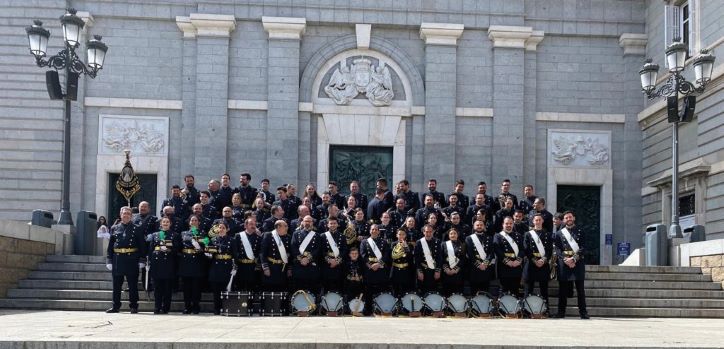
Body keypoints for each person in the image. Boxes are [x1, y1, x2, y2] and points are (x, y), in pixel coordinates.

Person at [106, 206, 146, 314]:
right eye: (124, 213)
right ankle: (116, 306)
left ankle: (133, 306)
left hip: (131, 258)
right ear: (120, 214)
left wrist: (142, 259)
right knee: (116, 285)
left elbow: (142, 245)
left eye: (128, 213)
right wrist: (109, 259)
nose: (126, 215)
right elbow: (110, 246)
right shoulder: (115, 228)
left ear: (131, 216)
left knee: (132, 284)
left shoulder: (137, 228)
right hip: (118, 258)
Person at [552, 211, 589, 319]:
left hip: (577, 263)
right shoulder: (559, 233)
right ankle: (561, 312)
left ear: (574, 218)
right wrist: (566, 259)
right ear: (563, 220)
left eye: (570, 217)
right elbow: (557, 249)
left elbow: (583, 247)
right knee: (562, 290)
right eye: (566, 218)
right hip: (564, 263)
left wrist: (573, 259)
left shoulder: (581, 231)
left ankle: (583, 313)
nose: (568, 219)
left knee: (580, 290)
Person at [146, 216, 179, 314]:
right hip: (157, 264)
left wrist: (169, 250)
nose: (165, 223)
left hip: (168, 264)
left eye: (167, 222)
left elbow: (177, 249)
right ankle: (157, 307)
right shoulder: (155, 235)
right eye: (163, 222)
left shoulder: (174, 235)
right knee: (157, 288)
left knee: (167, 288)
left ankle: (165, 308)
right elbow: (151, 249)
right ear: (160, 224)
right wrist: (148, 261)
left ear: (170, 224)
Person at [176, 214, 208, 314]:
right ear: (189, 222)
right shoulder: (183, 233)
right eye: (192, 220)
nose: (193, 222)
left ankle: (196, 306)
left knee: (196, 287)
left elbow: (207, 247)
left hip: (197, 262)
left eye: (195, 220)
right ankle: (187, 306)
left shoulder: (203, 234)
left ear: (199, 222)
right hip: (186, 262)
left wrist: (200, 249)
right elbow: (179, 248)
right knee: (187, 287)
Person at [205, 222, 235, 315]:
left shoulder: (232, 240)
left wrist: (235, 267)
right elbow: (209, 254)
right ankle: (217, 309)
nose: (221, 229)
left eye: (223, 228)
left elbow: (235, 255)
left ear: (227, 229)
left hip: (227, 266)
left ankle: (225, 307)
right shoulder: (213, 240)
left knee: (226, 289)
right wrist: (208, 255)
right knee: (216, 290)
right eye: (219, 228)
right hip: (216, 266)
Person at [523, 214, 552, 310]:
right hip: (531, 264)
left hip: (543, 264)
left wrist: (543, 260)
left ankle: (545, 310)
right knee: (528, 290)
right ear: (533, 221)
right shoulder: (528, 234)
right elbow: (526, 249)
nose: (538, 221)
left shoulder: (547, 234)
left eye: (540, 220)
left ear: (542, 221)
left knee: (544, 290)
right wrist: (535, 260)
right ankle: (527, 310)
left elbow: (549, 250)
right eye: (536, 220)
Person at [360, 224, 391, 313]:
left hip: (380, 269)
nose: (374, 231)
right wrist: (371, 265)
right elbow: (363, 255)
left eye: (376, 229)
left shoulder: (384, 242)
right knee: (368, 290)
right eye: (372, 229)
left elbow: (386, 255)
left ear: (378, 231)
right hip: (369, 269)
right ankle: (368, 309)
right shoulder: (364, 242)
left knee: (381, 290)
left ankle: (380, 309)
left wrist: (378, 264)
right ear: (370, 231)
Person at [290, 215, 322, 294]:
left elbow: (317, 249)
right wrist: (301, 259)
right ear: (302, 222)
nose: (307, 223)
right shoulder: (296, 234)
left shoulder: (317, 235)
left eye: (309, 221)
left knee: (312, 289)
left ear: (312, 223)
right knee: (299, 289)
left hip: (311, 266)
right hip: (299, 265)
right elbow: (293, 248)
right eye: (305, 221)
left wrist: (307, 259)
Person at [494, 217, 524, 297]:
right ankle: (502, 309)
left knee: (515, 291)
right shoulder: (498, 236)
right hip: (504, 267)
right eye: (506, 223)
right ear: (503, 224)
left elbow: (522, 249)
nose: (508, 225)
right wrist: (508, 262)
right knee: (504, 291)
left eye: (510, 223)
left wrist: (518, 260)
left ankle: (515, 309)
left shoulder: (518, 235)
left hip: (516, 267)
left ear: (513, 224)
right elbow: (498, 250)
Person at [260, 220, 292, 292]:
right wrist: (265, 267)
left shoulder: (288, 237)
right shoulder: (268, 235)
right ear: (278, 227)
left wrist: (289, 268)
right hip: (271, 266)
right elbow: (263, 253)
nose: (287, 228)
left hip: (282, 267)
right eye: (285, 226)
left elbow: (290, 254)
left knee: (281, 290)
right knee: (269, 289)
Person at [465, 220, 495, 295]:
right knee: (474, 293)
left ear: (484, 226)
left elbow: (491, 253)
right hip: (474, 269)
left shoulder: (489, 238)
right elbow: (470, 254)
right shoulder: (469, 238)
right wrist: (479, 265)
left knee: (485, 293)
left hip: (486, 269)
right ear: (474, 226)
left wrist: (485, 264)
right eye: (477, 225)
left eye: (481, 225)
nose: (479, 226)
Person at [233, 217, 262, 292]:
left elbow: (260, 252)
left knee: (251, 288)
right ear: (245, 226)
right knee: (240, 287)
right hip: (241, 266)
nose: (253, 226)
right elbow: (235, 251)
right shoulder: (238, 236)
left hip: (252, 266)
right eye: (251, 224)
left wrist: (258, 264)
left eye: (254, 224)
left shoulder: (258, 237)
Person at [320, 217, 347, 293]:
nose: (333, 225)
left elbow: (344, 250)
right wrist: (329, 260)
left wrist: (337, 261)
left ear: (338, 224)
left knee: (338, 288)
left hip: (338, 266)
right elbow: (322, 250)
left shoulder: (342, 236)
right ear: (327, 225)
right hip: (327, 265)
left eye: (334, 223)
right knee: (326, 288)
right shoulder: (323, 236)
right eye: (331, 223)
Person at [415, 224, 442, 294]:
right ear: (423, 232)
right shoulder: (419, 242)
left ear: (433, 232)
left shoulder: (437, 241)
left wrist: (438, 271)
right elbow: (417, 258)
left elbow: (439, 257)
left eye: (430, 231)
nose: (428, 233)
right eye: (427, 231)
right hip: (423, 270)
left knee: (434, 291)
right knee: (423, 292)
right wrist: (419, 271)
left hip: (434, 270)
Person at [440, 228, 465, 296]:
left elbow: (463, 259)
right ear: (448, 235)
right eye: (451, 234)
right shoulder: (443, 244)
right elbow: (441, 258)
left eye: (455, 233)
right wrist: (446, 269)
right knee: (447, 294)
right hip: (446, 272)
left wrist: (455, 269)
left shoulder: (462, 245)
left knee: (457, 294)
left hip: (457, 273)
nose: (453, 235)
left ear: (458, 235)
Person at [389, 229, 414, 297]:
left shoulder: (409, 245)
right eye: (399, 234)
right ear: (397, 235)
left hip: (405, 270)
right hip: (395, 270)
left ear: (405, 235)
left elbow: (410, 258)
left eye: (403, 234)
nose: (401, 236)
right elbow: (391, 257)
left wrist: (406, 247)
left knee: (405, 291)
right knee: (395, 290)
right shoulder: (393, 244)